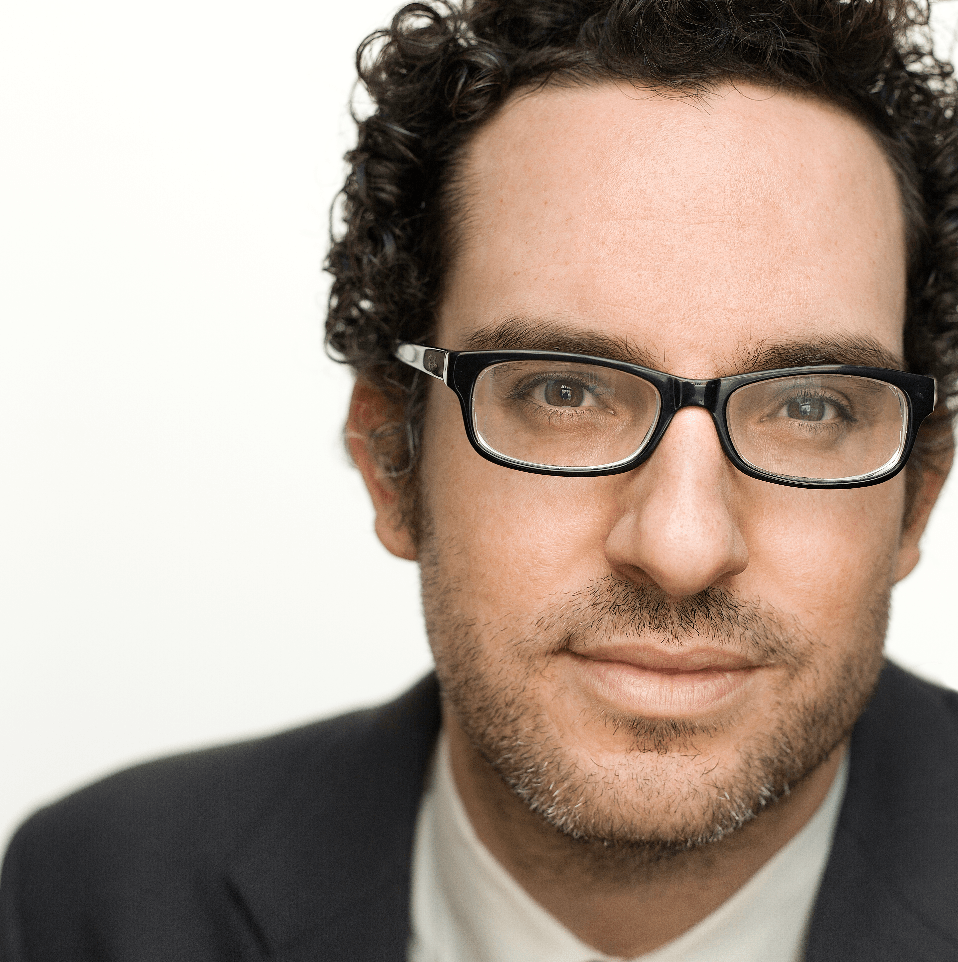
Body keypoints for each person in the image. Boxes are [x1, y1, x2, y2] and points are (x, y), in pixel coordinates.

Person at [3, 0, 958, 959]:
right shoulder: (93, 897)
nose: (681, 547)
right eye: (563, 392)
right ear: (393, 461)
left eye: (810, 408)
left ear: (917, 495)